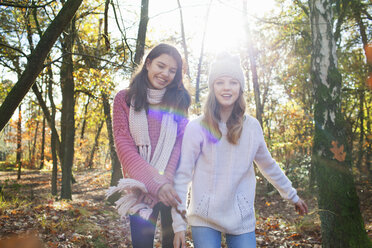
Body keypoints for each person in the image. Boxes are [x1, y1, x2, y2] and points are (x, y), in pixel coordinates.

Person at [171, 53, 308, 248]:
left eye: (233, 82)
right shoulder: (197, 127)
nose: (227, 87)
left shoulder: (251, 127)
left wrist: (291, 195)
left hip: (240, 215)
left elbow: (268, 165)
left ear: (240, 88)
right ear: (212, 87)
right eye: (220, 82)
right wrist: (179, 225)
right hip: (204, 215)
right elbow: (183, 175)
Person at [108, 43, 191, 248]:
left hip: (171, 186)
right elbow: (124, 146)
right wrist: (156, 183)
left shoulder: (178, 102)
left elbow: (179, 144)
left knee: (172, 245)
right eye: (161, 66)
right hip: (140, 189)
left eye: (172, 70)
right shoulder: (124, 99)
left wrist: (166, 181)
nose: (165, 74)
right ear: (148, 63)